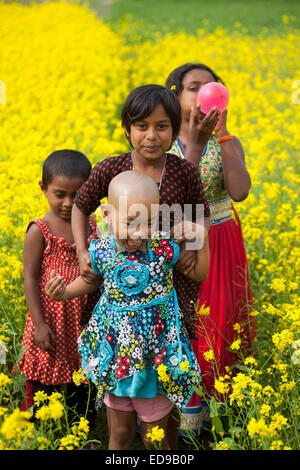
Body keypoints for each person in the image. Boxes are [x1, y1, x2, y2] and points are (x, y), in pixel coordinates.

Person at [45, 170, 209, 450]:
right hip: (115, 354)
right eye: (130, 222)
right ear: (107, 215)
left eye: (147, 223)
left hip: (156, 358)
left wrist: (201, 238)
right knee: (119, 435)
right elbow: (88, 281)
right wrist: (63, 292)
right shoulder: (101, 250)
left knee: (153, 439)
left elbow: (199, 273)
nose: (138, 232)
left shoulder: (162, 247)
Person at [71, 84, 211, 341]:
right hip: (120, 273)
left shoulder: (184, 172)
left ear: (175, 129)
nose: (152, 136)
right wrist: (81, 251)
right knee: (120, 339)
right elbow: (81, 206)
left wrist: (192, 245)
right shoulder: (111, 168)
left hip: (171, 274)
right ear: (127, 129)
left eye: (162, 126)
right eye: (142, 126)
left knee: (170, 340)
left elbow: (200, 213)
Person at [166, 63, 256, 436]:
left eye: (211, 87)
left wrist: (222, 134)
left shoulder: (227, 141)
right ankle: (181, 420)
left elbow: (238, 193)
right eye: (193, 87)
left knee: (220, 327)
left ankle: (217, 419)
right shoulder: (162, 139)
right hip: (179, 241)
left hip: (221, 239)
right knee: (186, 326)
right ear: (176, 95)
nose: (203, 94)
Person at [17, 150, 100, 430]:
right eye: (59, 194)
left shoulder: (91, 226)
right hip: (50, 321)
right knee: (45, 385)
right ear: (43, 188)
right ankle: (44, 432)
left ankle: (83, 431)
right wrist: (39, 324)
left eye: (77, 195)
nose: (68, 203)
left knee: (84, 383)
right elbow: (30, 278)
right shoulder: (40, 231)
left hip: (82, 321)